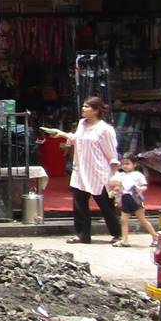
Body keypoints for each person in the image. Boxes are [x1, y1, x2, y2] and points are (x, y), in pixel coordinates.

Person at [55, 97, 121, 244]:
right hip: (80, 170)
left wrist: (116, 174)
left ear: (96, 110)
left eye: (87, 107)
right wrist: (62, 134)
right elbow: (77, 139)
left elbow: (112, 153)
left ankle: (118, 233)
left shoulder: (105, 129)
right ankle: (82, 234)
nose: (83, 109)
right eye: (83, 106)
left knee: (105, 205)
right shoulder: (81, 124)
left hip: (99, 172)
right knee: (79, 204)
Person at [109, 154, 155, 247]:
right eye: (123, 164)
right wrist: (114, 191)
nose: (125, 166)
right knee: (124, 220)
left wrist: (140, 189)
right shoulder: (120, 175)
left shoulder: (138, 175)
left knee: (142, 220)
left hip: (135, 199)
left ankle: (155, 236)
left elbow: (144, 186)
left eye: (127, 163)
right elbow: (117, 186)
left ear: (134, 164)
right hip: (125, 199)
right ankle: (125, 240)